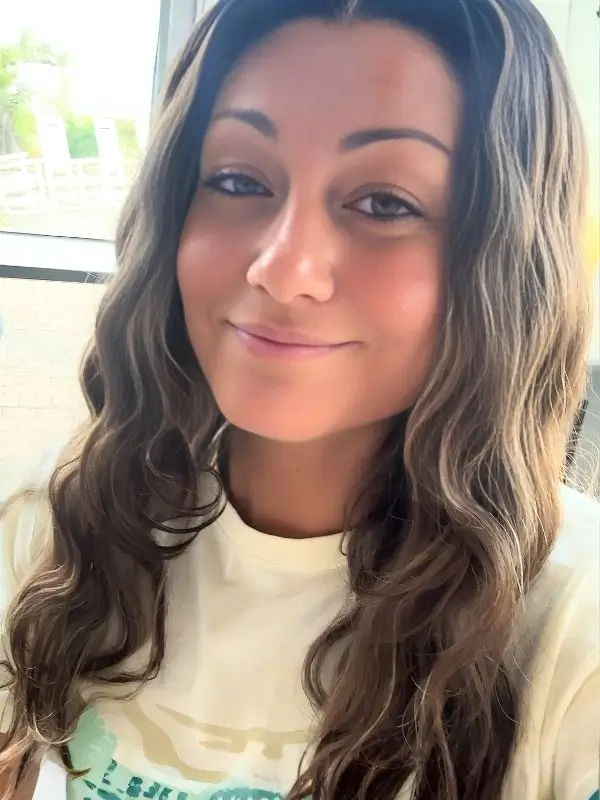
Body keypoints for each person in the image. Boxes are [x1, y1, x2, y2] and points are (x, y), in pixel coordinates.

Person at [0, 0, 599, 797]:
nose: (281, 269)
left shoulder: (573, 631)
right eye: (237, 180)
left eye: (385, 203)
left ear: (502, 259)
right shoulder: (55, 524)